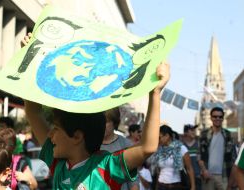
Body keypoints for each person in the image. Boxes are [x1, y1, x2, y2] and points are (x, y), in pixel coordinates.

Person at [23, 30, 170, 190]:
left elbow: (146, 147)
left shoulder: (106, 166)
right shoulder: (58, 163)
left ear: (77, 136)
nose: (50, 134)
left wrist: (155, 93)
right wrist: (30, 59)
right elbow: (33, 111)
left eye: (56, 129)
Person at [101, 107, 139, 190]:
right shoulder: (90, 143)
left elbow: (133, 179)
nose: (101, 124)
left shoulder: (125, 144)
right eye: (99, 120)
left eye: (106, 121)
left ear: (114, 122)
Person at [199, 107, 236, 190]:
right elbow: (199, 155)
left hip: (224, 176)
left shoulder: (228, 135)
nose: (217, 119)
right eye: (215, 116)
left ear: (223, 118)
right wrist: (204, 170)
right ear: (211, 118)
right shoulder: (204, 134)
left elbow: (234, 159)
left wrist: (233, 179)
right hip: (207, 175)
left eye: (220, 117)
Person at [155, 125, 195, 190]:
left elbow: (189, 168)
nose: (158, 140)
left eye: (159, 137)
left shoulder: (181, 148)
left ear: (167, 136)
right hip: (161, 185)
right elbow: (159, 171)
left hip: (175, 186)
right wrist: (156, 187)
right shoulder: (160, 150)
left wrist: (193, 187)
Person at [182, 124, 202, 190]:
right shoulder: (181, 146)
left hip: (197, 177)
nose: (194, 132)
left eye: (194, 130)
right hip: (185, 178)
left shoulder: (198, 144)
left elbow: (199, 160)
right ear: (186, 133)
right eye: (191, 130)